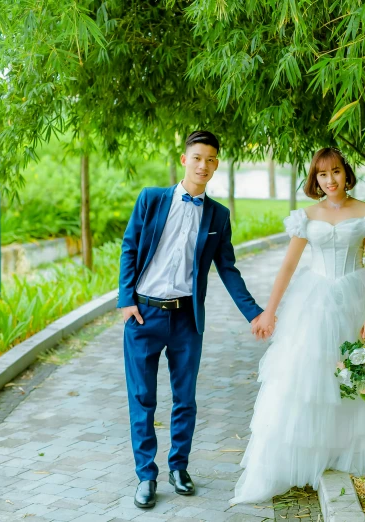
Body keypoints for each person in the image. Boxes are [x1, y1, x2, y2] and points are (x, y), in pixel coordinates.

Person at [231, 147, 365, 505]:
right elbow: (288, 267)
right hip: (314, 299)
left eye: (335, 172)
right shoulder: (306, 217)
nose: (330, 180)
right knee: (310, 377)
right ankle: (313, 452)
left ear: (345, 173)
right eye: (322, 175)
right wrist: (269, 312)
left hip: (355, 296)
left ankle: (354, 449)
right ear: (315, 180)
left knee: (357, 376)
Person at [118, 130, 269, 509]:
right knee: (142, 398)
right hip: (143, 315)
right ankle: (146, 476)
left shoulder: (219, 215)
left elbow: (228, 270)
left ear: (217, 164)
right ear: (184, 159)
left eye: (211, 159)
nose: (204, 165)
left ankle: (179, 467)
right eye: (197, 157)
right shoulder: (151, 199)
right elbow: (130, 247)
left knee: (185, 398)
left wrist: (255, 313)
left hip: (187, 318)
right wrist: (125, 300)